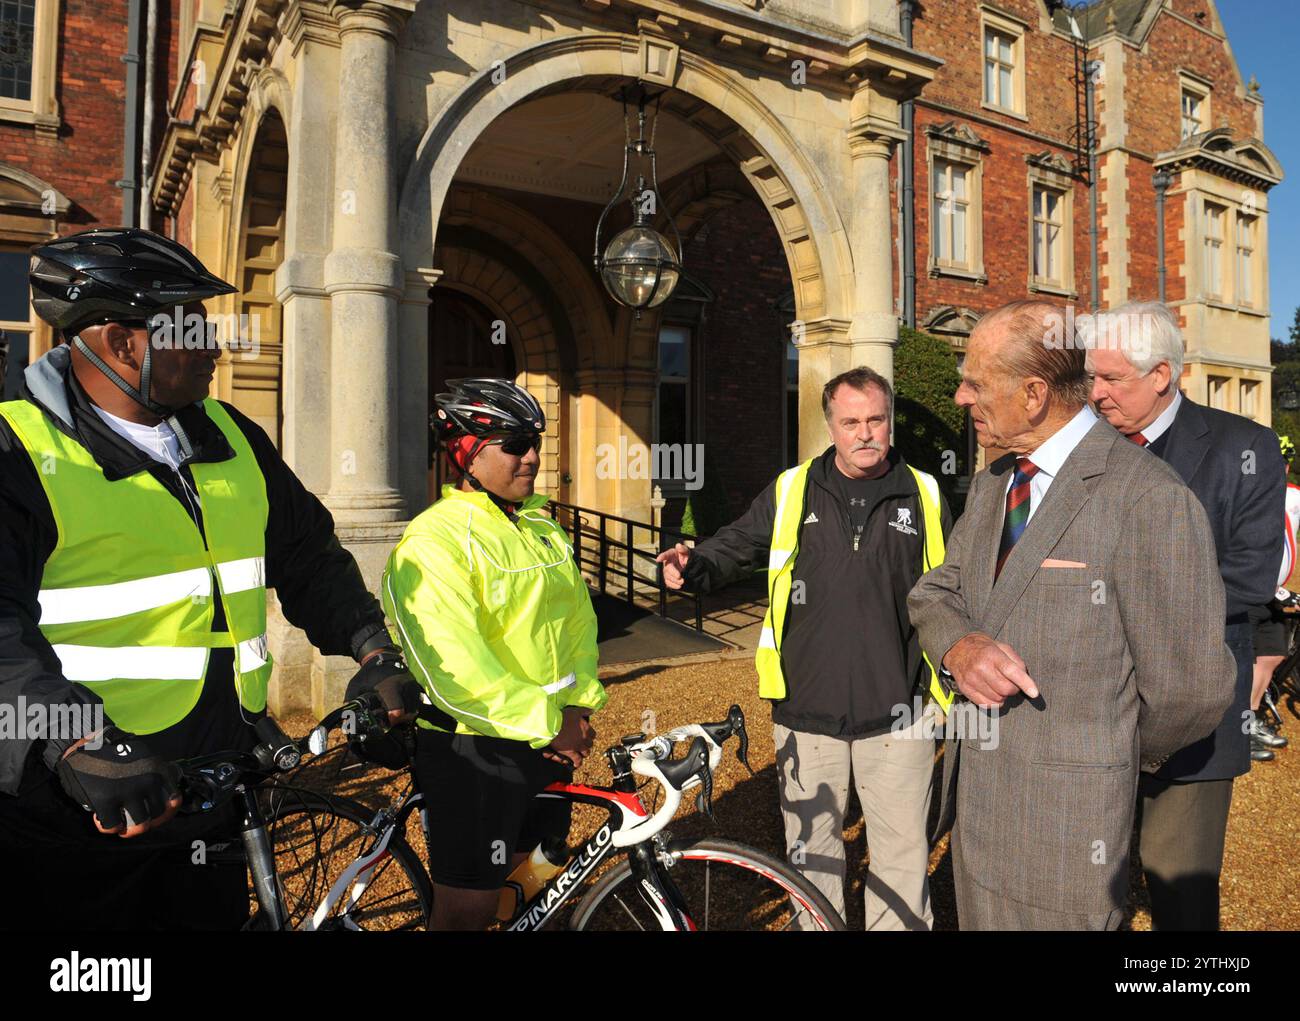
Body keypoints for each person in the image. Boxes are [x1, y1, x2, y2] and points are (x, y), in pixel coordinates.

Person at [0, 228, 406, 930]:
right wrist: (71, 739)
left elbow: (307, 554)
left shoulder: (231, 433)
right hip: (84, 808)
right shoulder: (20, 452)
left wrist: (373, 648)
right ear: (121, 341)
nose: (217, 345)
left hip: (216, 788)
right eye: (192, 325)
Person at [908, 299, 1235, 930]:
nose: (959, 396)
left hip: (1069, 828)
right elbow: (935, 592)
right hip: (978, 817)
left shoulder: (1149, 499)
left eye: (975, 381)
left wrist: (1097, 757)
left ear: (1033, 394)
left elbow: (1191, 689)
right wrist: (959, 648)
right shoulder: (992, 483)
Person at [657, 366, 952, 930]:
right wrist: (693, 565)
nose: (864, 433)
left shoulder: (926, 492)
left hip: (900, 710)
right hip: (807, 710)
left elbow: (951, 588)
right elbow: (737, 545)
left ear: (889, 422)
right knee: (812, 858)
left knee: (902, 860)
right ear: (831, 427)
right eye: (850, 422)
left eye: (875, 420)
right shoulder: (793, 489)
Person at [380, 377, 607, 931]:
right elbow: (455, 669)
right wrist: (550, 723)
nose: (531, 456)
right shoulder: (433, 541)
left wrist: (577, 707)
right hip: (473, 750)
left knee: (540, 885)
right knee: (469, 907)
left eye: (535, 441)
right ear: (465, 451)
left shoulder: (542, 527)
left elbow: (578, 624)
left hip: (550, 739)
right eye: (513, 444)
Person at [1089, 300, 1285, 930]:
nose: (1095, 394)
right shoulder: (1082, 448)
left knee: (1180, 895)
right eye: (1092, 377)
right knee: (1092, 886)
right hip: (1087, 706)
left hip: (1194, 707)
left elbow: (1250, 578)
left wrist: (1115, 603)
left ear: (1162, 376)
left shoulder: (1243, 448)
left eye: (1111, 379)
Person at [1245, 433, 1298, 760]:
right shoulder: (1246, 493)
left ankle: (1249, 722)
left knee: (1272, 654)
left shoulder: (1292, 495)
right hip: (1249, 592)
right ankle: (1239, 731)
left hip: (1271, 595)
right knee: (1244, 659)